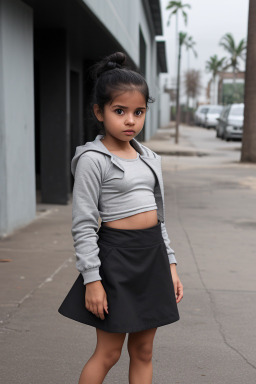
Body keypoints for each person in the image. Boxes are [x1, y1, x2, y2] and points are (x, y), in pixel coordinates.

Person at [58, 51, 183, 384]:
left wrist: (170, 265)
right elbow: (83, 225)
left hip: (152, 256)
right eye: (120, 111)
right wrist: (92, 280)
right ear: (99, 112)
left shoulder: (149, 158)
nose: (131, 121)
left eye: (138, 112)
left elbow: (160, 218)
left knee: (143, 352)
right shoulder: (92, 160)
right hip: (116, 260)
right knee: (109, 353)